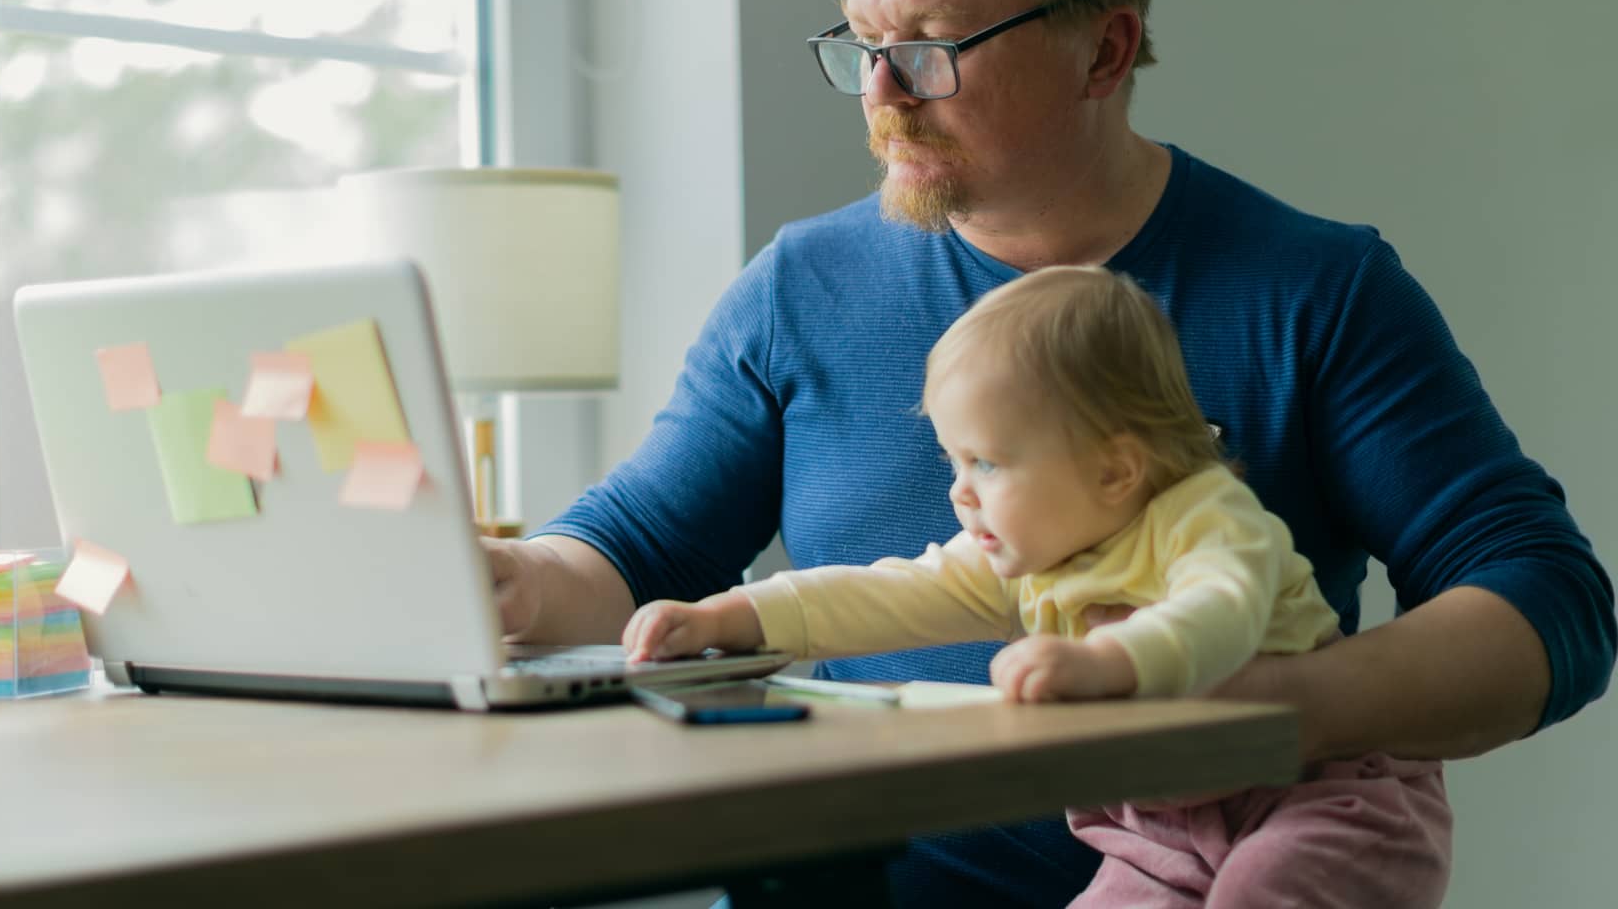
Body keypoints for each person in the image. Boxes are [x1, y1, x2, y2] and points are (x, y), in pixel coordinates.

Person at [484, 0, 1615, 902]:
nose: (881, 95)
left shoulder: (1316, 290)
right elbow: (633, 551)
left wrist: (1264, 708)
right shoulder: (800, 289)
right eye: (864, 48)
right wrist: (520, 582)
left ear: (1105, 50)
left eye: (929, 51)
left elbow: (1545, 601)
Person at [621, 265, 1453, 906]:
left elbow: (1220, 615)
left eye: (985, 461)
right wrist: (734, 616)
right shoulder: (1032, 554)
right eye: (953, 459)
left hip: (1326, 799)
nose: (960, 490)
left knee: (1263, 889)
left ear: (1115, 469)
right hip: (1159, 830)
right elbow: (889, 593)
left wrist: (1108, 665)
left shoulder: (1208, 518)